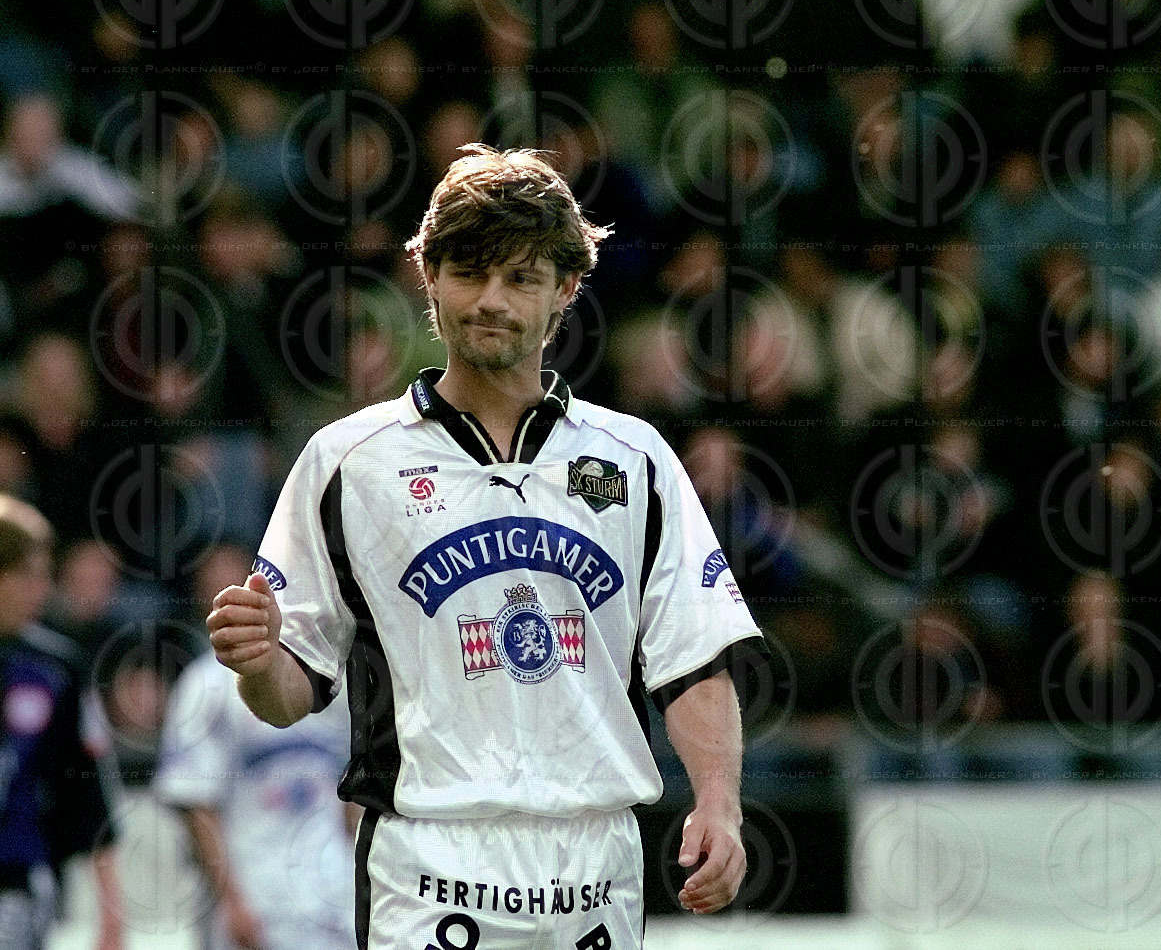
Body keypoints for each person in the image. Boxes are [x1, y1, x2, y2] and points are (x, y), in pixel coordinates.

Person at [207, 144, 767, 948]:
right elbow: (290, 694)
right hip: (429, 863)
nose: (491, 300)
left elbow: (693, 659)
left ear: (565, 289)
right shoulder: (346, 462)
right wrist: (259, 661)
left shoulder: (634, 460)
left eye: (521, 278)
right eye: (469, 273)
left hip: (596, 868)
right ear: (429, 277)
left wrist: (718, 799)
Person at [154, 649, 357, 950]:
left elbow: (355, 790)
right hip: (255, 900)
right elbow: (197, 805)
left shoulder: (335, 674)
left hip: (333, 895)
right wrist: (231, 901)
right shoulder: (206, 684)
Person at [0, 495, 123, 950]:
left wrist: (113, 913)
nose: (41, 590)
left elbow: (88, 792)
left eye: (45, 576)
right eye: (27, 574)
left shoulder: (55, 669)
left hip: (19, 882)